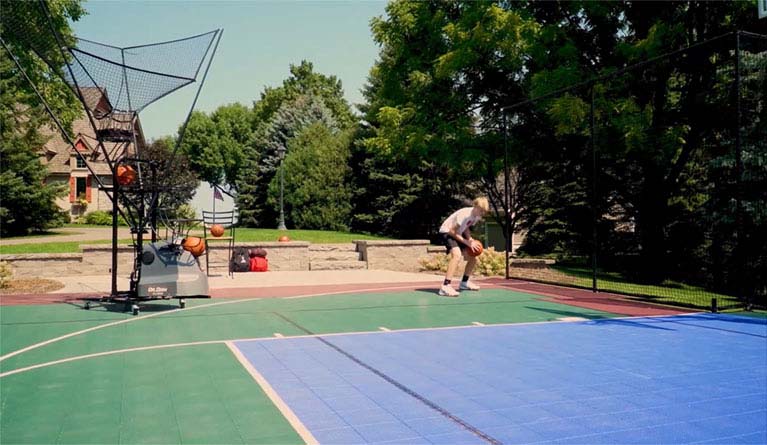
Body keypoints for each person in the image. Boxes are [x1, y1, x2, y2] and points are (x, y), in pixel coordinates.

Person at [437, 197, 490, 297]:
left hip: (457, 234)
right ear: (475, 206)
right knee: (456, 255)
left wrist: (470, 239)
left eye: (484, 211)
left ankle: (464, 283)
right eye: (481, 210)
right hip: (446, 232)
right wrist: (466, 242)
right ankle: (445, 286)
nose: (482, 213)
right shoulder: (465, 214)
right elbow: (452, 231)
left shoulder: (476, 216)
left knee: (473, 258)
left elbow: (466, 228)